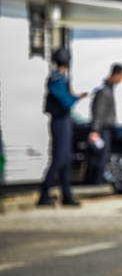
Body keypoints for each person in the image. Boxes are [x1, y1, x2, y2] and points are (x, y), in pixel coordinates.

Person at [38, 47, 88, 207]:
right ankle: (44, 192)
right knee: (59, 158)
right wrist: (75, 97)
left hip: (64, 120)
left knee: (66, 159)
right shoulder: (57, 79)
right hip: (59, 121)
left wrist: (73, 96)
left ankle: (67, 194)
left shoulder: (60, 78)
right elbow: (66, 102)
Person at [88, 62, 122, 185]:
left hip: (105, 129)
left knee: (103, 157)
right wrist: (95, 130)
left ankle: (98, 182)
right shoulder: (104, 91)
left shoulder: (108, 89)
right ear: (117, 74)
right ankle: (97, 183)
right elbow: (99, 111)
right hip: (103, 129)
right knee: (101, 157)